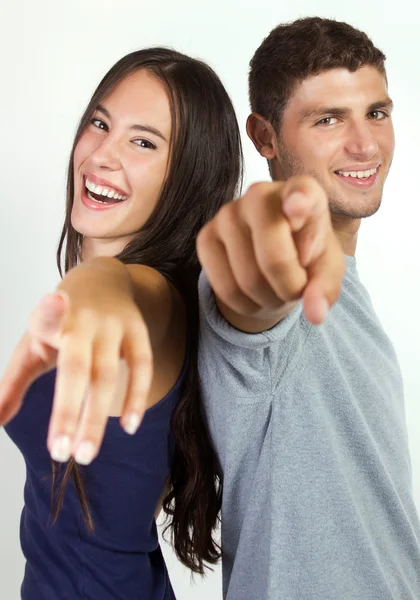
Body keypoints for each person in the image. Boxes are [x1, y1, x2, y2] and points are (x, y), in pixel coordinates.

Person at [0, 47, 242, 599]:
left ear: (186, 176)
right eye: (100, 123)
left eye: (143, 142)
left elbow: (128, 297)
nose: (102, 155)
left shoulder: (156, 299)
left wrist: (97, 285)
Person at [196, 17, 420, 600]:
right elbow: (252, 297)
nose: (366, 144)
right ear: (265, 138)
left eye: (376, 112)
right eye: (328, 120)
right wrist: (269, 232)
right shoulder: (279, 277)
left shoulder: (350, 289)